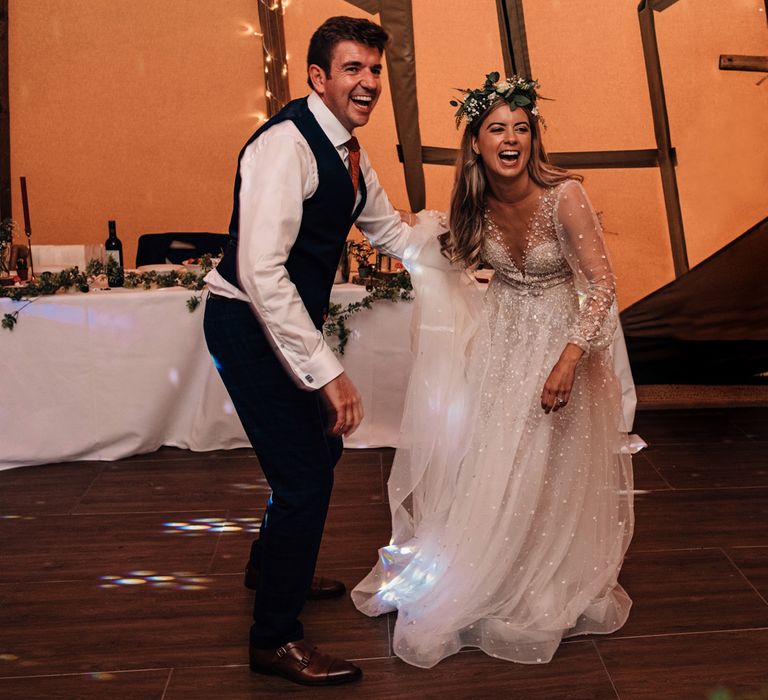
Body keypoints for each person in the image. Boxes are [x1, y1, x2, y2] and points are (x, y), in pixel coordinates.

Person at [352, 73, 635, 668]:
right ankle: (488, 565)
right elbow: (451, 255)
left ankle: (537, 575)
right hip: (502, 338)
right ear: (475, 143)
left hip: (560, 340)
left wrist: (569, 359)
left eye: (521, 128)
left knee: (543, 458)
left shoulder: (566, 195)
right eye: (496, 129)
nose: (511, 139)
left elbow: (602, 284)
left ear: (534, 137)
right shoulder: (474, 203)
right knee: (489, 456)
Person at [203, 16, 414, 687]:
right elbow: (261, 272)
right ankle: (275, 639)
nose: (369, 83)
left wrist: (458, 263)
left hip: (273, 320)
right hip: (243, 321)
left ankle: (272, 563)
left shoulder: (349, 151)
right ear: (318, 77)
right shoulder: (284, 147)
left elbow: (391, 232)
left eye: (375, 70)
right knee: (305, 475)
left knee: (316, 452)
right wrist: (329, 375)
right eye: (353, 69)